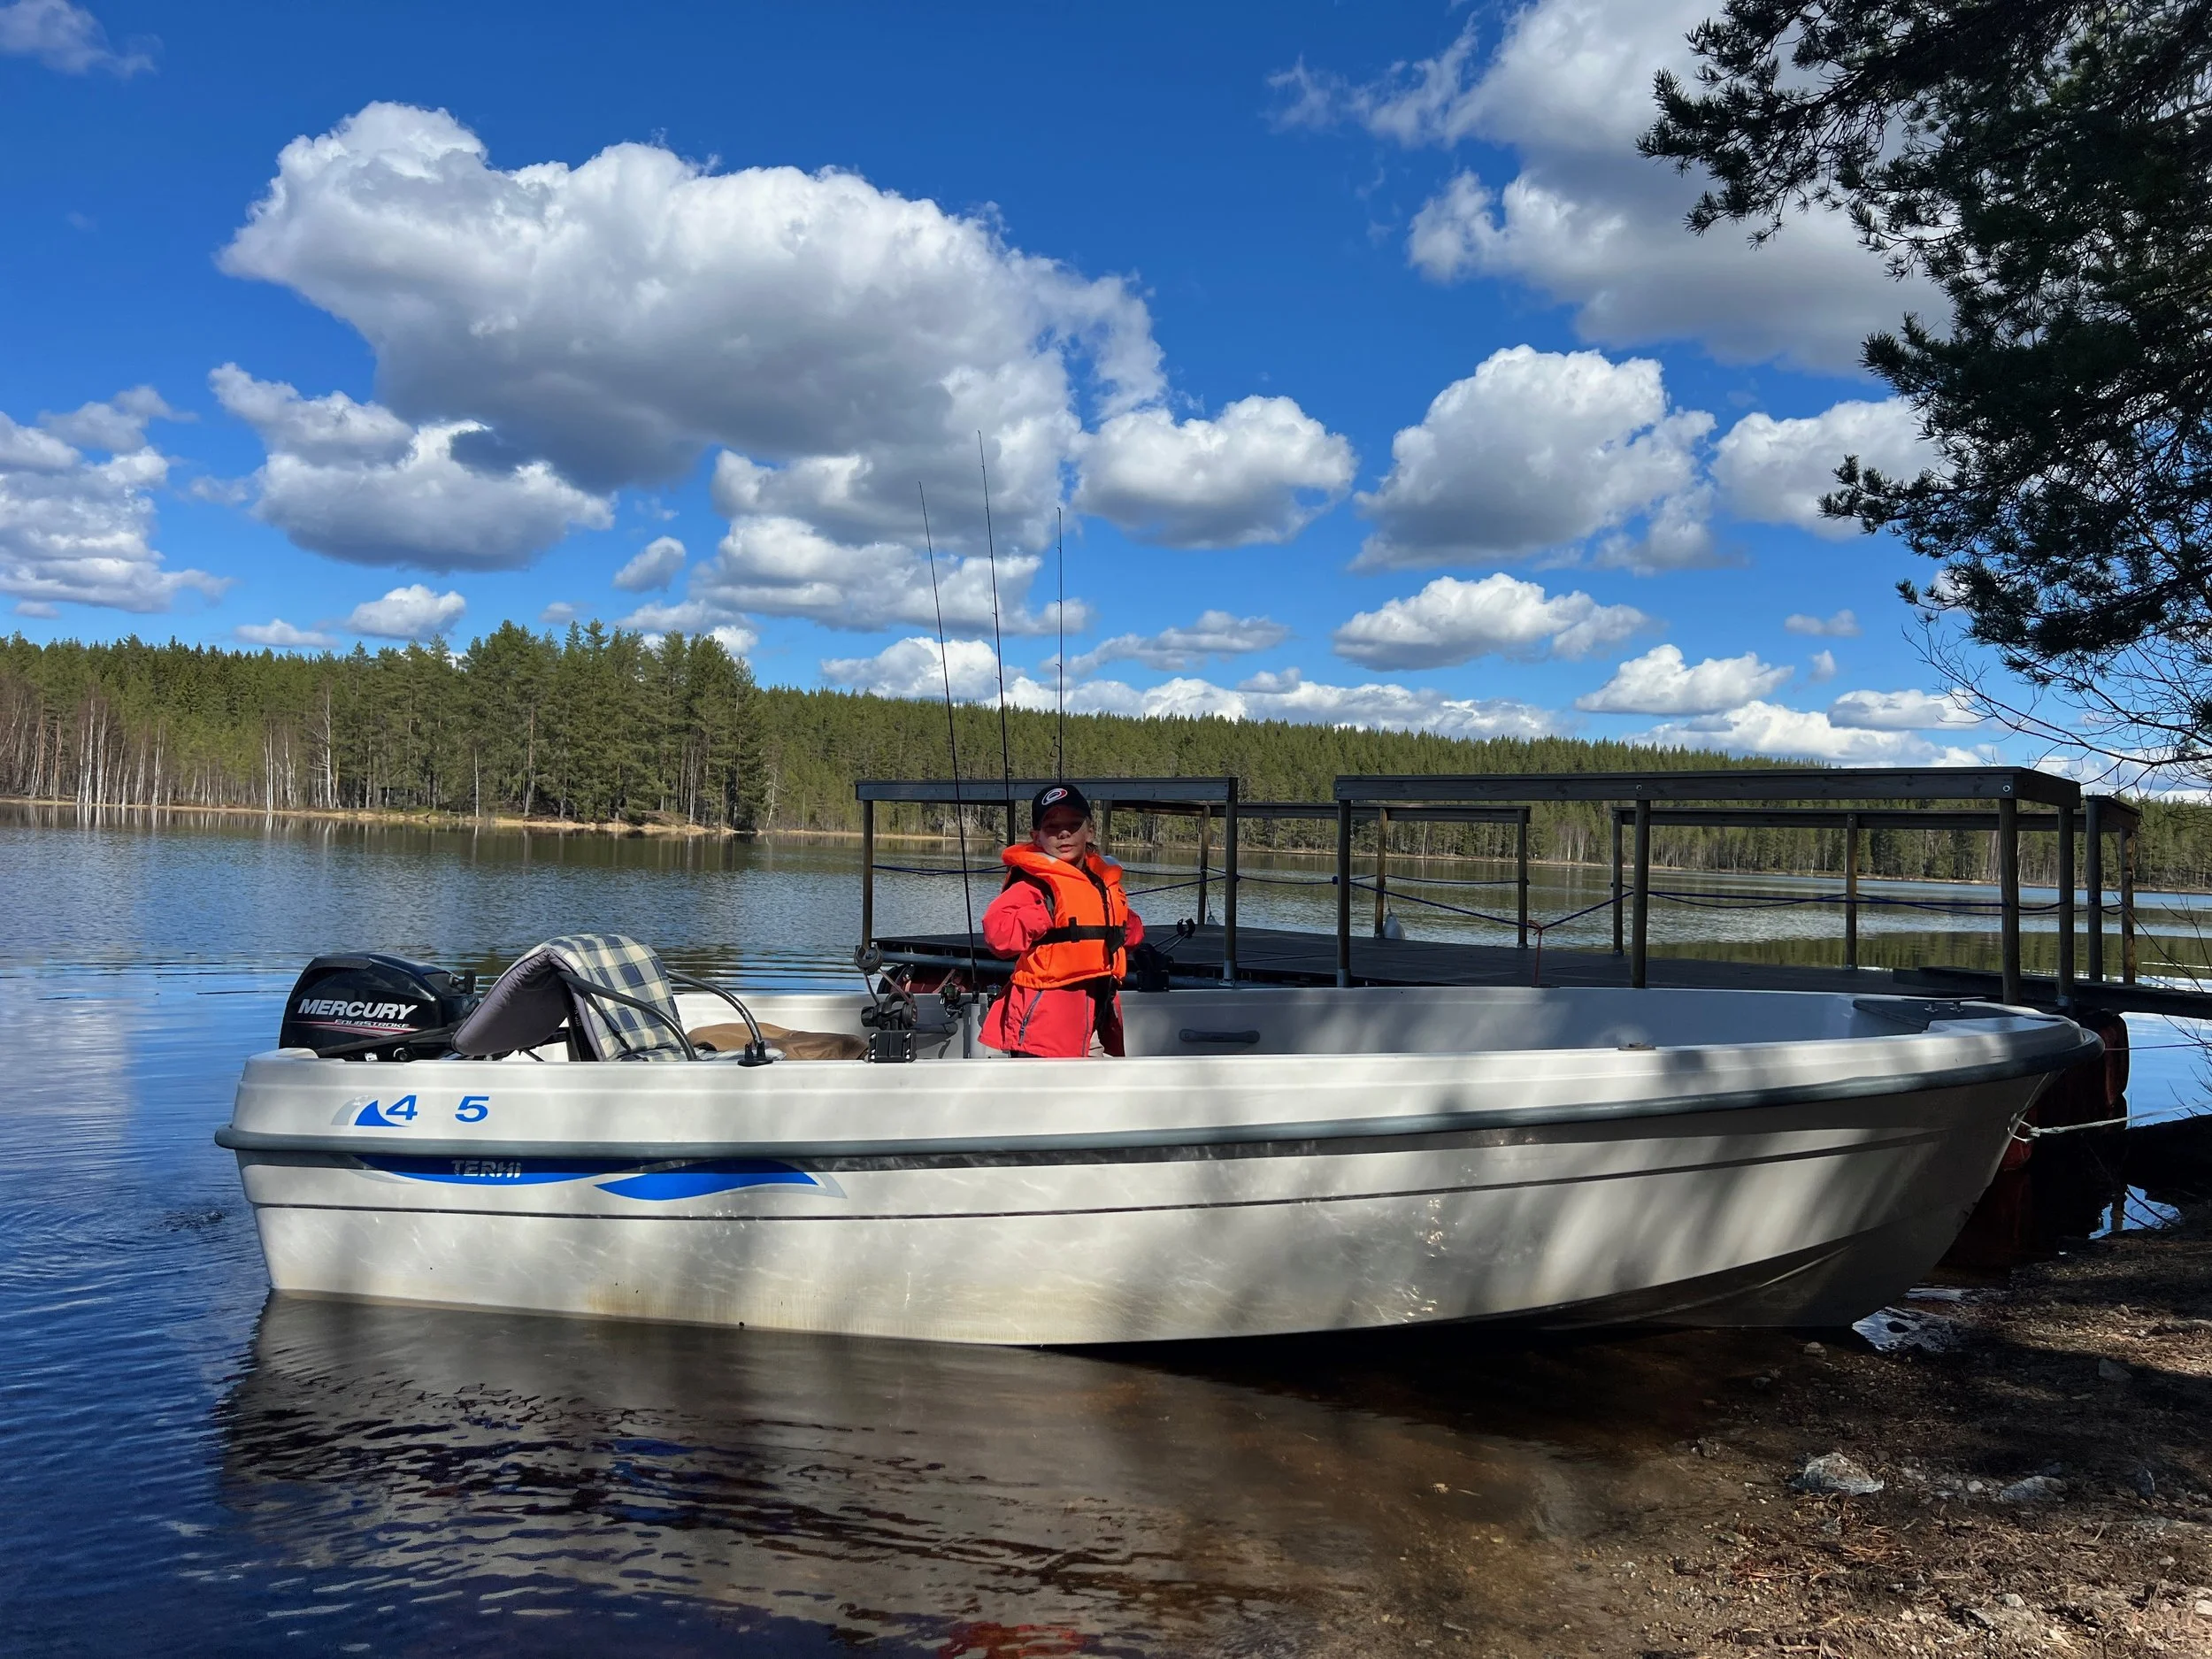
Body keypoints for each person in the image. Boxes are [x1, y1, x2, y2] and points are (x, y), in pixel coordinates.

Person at [979, 783, 1146, 1057]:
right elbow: (998, 936)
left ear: (1089, 830)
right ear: (1037, 837)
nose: (1064, 833)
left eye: (1073, 824)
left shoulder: (1100, 880)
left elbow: (1132, 933)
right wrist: (1044, 911)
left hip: (1095, 1015)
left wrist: (1119, 924)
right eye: (1052, 827)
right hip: (1044, 1028)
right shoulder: (1034, 884)